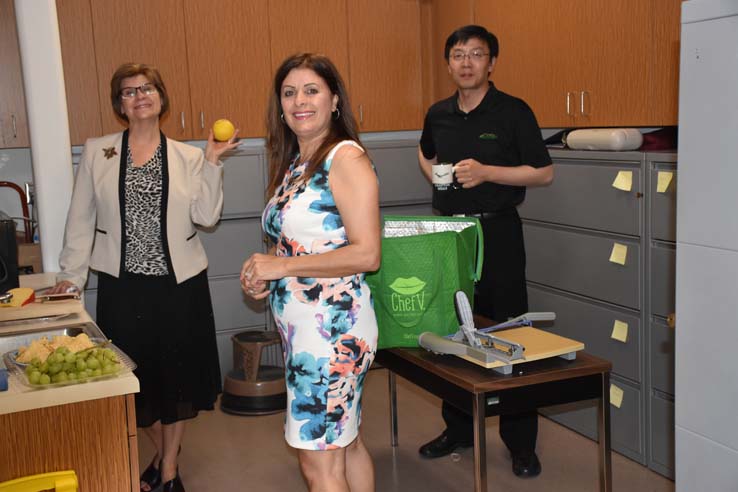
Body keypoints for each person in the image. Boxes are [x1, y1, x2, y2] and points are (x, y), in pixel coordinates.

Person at [49, 63, 239, 492]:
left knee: (177, 381)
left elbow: (207, 218)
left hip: (180, 285)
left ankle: (169, 472)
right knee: (134, 385)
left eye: (147, 88)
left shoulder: (188, 156)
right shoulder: (98, 152)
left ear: (160, 96)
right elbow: (80, 221)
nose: (140, 96)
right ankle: (162, 456)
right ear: (121, 104)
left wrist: (211, 162)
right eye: (129, 91)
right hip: (123, 288)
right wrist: (70, 277)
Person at [417, 25, 554, 478]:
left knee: (514, 334)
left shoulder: (513, 111)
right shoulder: (438, 113)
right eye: (458, 55)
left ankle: (520, 444)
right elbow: (426, 152)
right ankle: (458, 428)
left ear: (491, 63)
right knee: (456, 331)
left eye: (477, 55)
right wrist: (436, 173)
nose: (467, 63)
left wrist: (488, 172)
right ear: (449, 63)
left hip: (499, 235)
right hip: (453, 236)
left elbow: (543, 173)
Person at [240, 53, 380, 492]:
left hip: (331, 337)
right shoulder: (298, 163)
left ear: (334, 100)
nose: (299, 101)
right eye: (289, 92)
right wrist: (267, 274)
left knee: (318, 466)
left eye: (311, 90)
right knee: (346, 445)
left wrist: (282, 266)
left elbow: (366, 254)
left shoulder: (345, 159)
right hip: (307, 331)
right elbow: (302, 243)